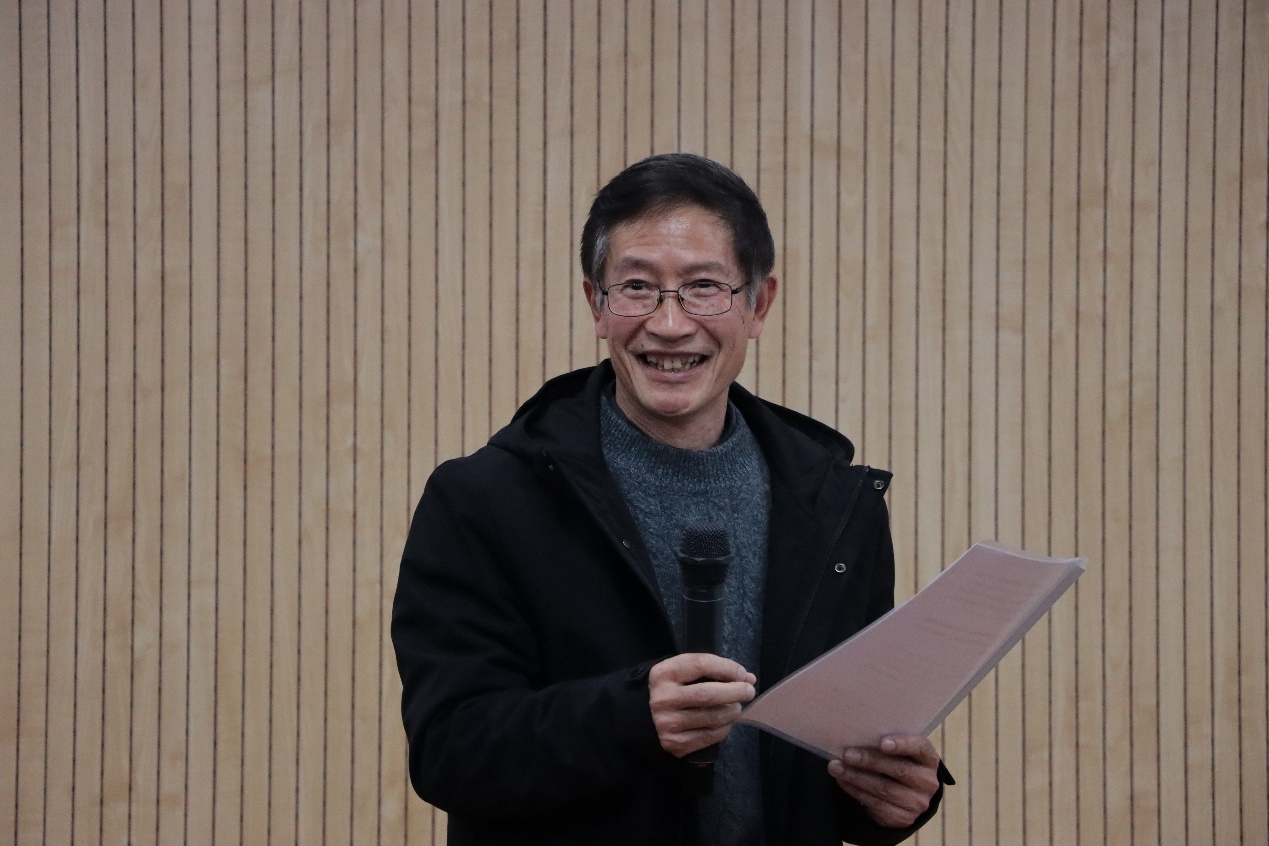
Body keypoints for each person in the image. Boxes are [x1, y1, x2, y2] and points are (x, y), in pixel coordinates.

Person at [392, 153, 953, 845]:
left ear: (759, 305)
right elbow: (450, 750)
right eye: (636, 287)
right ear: (597, 305)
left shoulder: (836, 504)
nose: (668, 324)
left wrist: (891, 798)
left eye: (703, 287)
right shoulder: (483, 499)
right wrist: (631, 717)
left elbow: (831, 756)